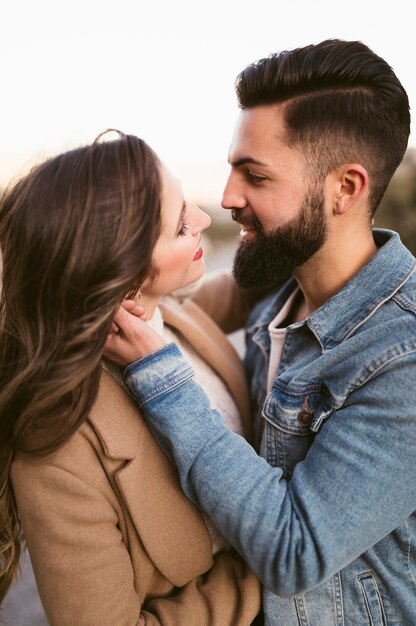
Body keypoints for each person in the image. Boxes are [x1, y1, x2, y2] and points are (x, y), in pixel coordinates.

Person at [103, 40, 416, 625]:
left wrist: (161, 376)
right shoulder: (280, 281)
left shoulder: (403, 359)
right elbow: (182, 298)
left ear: (345, 189)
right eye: (231, 168)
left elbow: (295, 552)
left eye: (255, 175)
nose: (227, 198)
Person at [0, 130, 262, 625]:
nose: (206, 218)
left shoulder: (170, 316)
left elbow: (248, 286)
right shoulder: (55, 446)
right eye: (183, 224)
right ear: (124, 275)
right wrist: (269, 572)